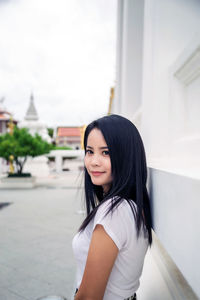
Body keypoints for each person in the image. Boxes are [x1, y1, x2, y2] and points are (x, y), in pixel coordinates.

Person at [72, 114, 152, 300]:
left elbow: (89, 297)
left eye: (106, 152)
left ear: (126, 156)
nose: (93, 161)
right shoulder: (131, 204)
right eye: (90, 151)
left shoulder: (114, 213)